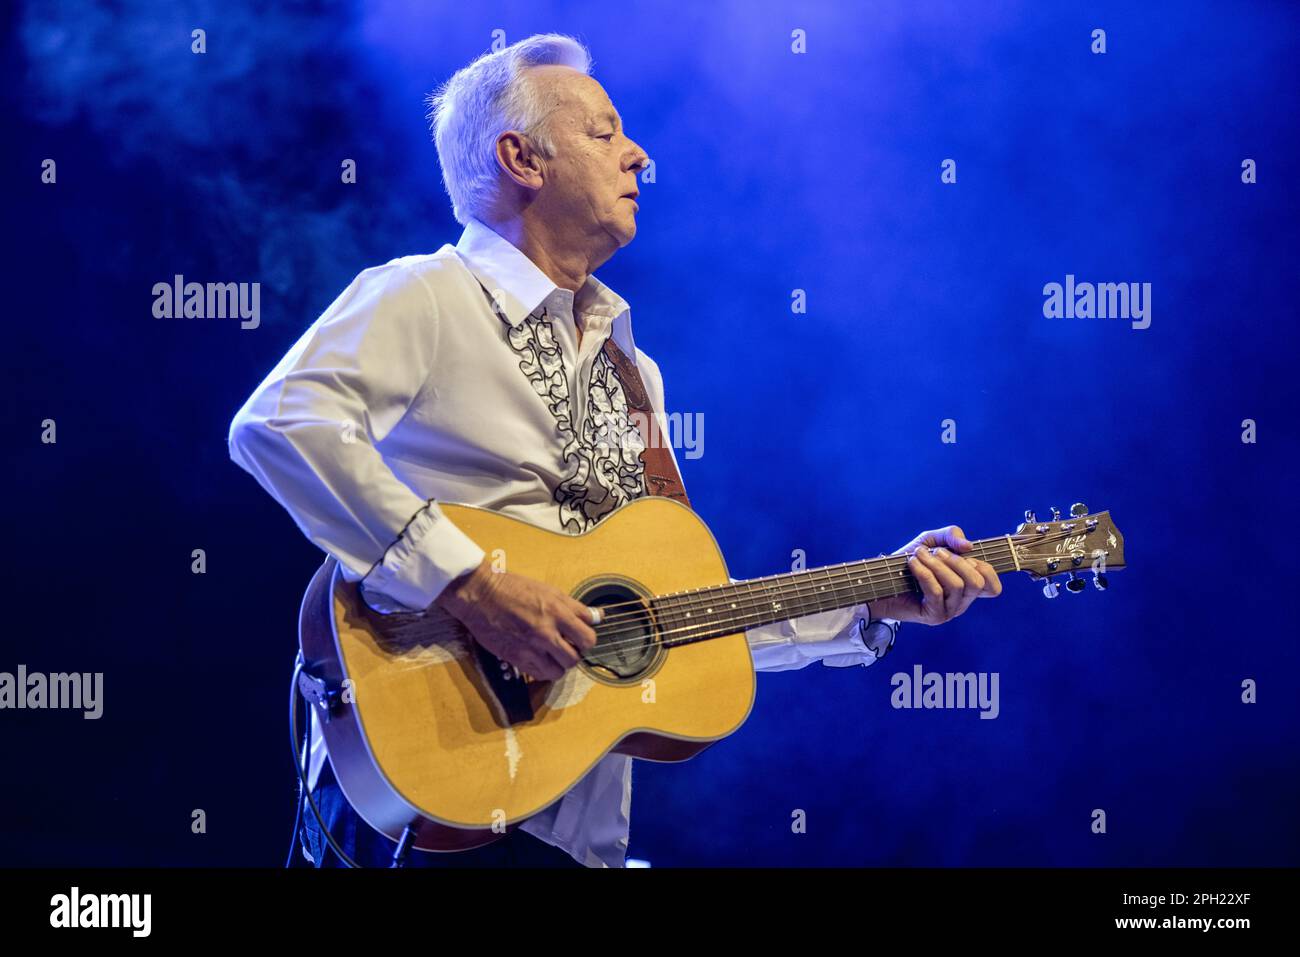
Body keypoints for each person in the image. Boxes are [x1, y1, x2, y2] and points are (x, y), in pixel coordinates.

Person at [228, 32, 1001, 869]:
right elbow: (281, 424)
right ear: (521, 158)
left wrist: (873, 602)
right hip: (424, 810)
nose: (638, 154)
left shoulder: (634, 372)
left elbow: (671, 615)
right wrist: (476, 587)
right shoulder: (426, 294)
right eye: (603, 133)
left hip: (570, 837)